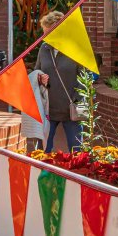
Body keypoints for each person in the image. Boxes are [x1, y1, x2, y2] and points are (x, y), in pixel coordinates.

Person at [36, 11, 83, 153]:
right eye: (44, 33)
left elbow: (85, 79)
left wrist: (77, 101)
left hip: (71, 111)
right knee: (43, 152)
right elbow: (37, 70)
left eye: (48, 33)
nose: (45, 37)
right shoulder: (44, 49)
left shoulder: (76, 49)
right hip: (49, 110)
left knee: (77, 152)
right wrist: (40, 77)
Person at [20, 69, 50, 154]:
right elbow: (36, 73)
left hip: (67, 109)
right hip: (43, 109)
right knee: (41, 152)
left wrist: (76, 99)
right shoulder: (43, 55)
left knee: (75, 149)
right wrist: (41, 80)